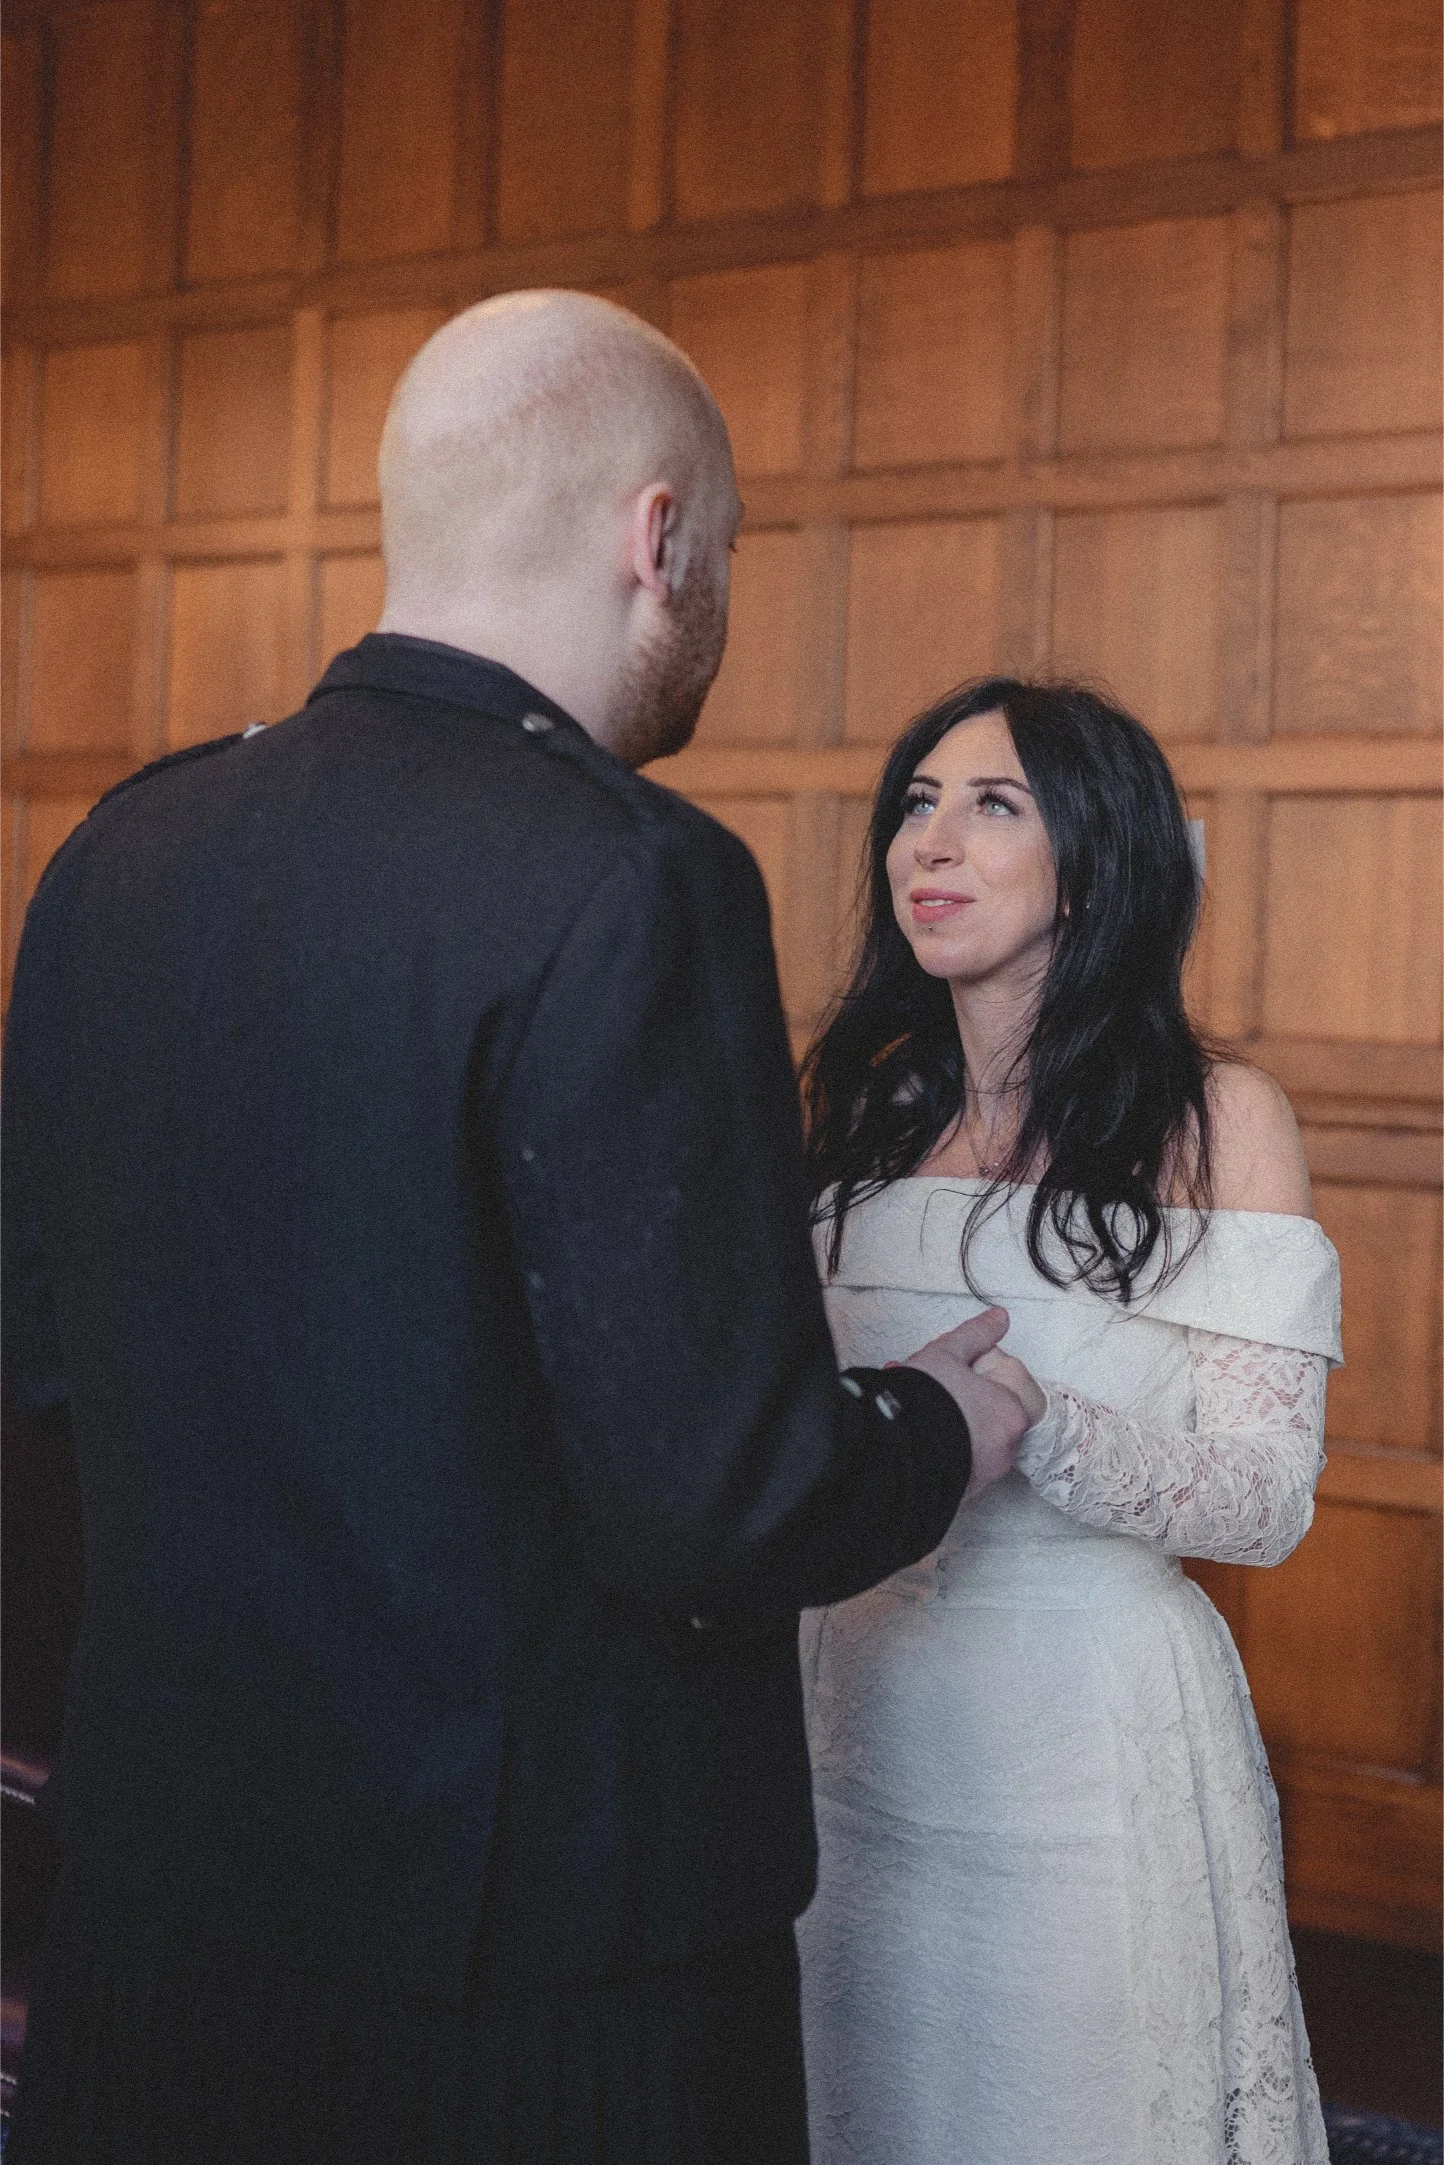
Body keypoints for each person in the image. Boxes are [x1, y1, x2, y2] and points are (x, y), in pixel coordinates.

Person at [1, 294, 1032, 2165]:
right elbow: (711, 1496)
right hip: (535, 1957)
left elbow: (44, 1350)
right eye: (718, 558)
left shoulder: (115, 854)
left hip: (158, 1899)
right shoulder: (632, 875)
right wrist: (938, 1429)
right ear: (659, 541)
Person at [795, 678, 1340, 2165]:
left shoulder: (1218, 1119)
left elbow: (1265, 1498)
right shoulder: (865, 1114)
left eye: (993, 805)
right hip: (854, 1713)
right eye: (916, 805)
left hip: (1084, 1744)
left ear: (1095, 858)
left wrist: (1039, 1424)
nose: (932, 844)